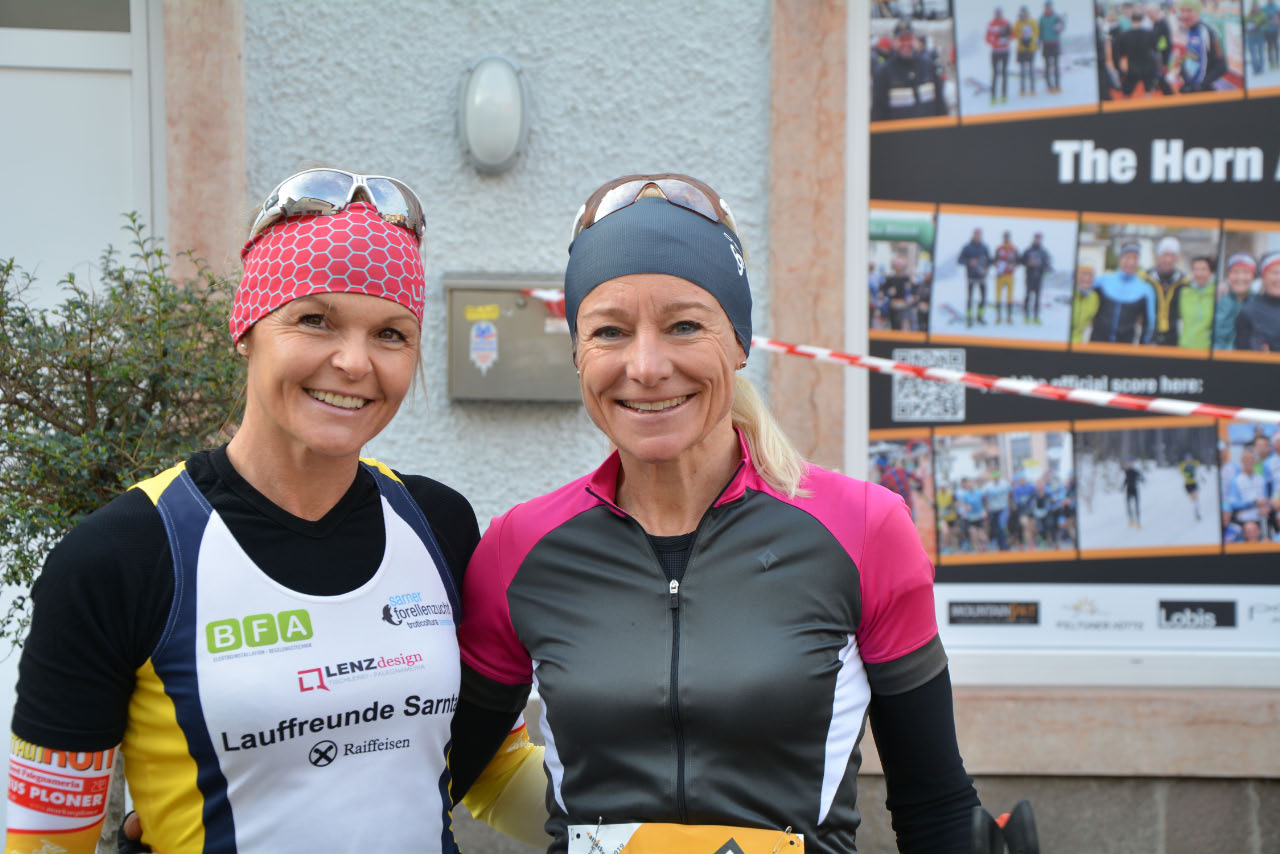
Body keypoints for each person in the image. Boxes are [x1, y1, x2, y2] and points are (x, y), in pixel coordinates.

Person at [4, 170, 542, 853]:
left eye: (391, 333)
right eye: (315, 320)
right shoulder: (120, 556)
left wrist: (648, 825)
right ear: (246, 328)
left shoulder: (439, 523)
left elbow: (493, 772)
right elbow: (48, 840)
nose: (355, 362)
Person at [457, 173, 982, 853]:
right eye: (610, 331)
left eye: (684, 326)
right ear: (579, 354)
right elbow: (432, 777)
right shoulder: (517, 548)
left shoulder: (862, 530)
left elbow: (935, 805)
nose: (647, 366)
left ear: (739, 342)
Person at [871, 19, 949, 121]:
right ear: (894, 42)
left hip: (929, 130)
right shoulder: (884, 72)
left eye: (909, 39)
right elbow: (877, 111)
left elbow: (940, 105)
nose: (906, 43)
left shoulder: (929, 66)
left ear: (914, 40)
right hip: (897, 131)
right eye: (902, 40)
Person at [1089, 242, 1156, 344]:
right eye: (1127, 257)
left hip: (1125, 347)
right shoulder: (1102, 281)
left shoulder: (1146, 290)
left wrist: (1143, 346)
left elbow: (1149, 324)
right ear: (1120, 259)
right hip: (1097, 345)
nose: (1131, 262)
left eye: (1135, 258)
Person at [1142, 235, 1189, 346]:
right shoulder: (1145, 278)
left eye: (1172, 255)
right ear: (1158, 256)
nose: (1168, 259)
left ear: (1177, 258)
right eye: (1165, 255)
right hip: (1149, 334)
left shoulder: (1184, 281)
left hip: (1174, 336)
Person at [1177, 0, 1228, 93]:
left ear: (1198, 12)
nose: (1184, 15)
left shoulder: (1207, 32)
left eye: (1189, 10)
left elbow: (1222, 66)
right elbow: (1195, 56)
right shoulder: (1190, 31)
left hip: (1205, 92)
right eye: (1182, 11)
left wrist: (1200, 86)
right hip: (1191, 89)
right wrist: (1182, 68)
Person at [1236, 250, 1280, 351]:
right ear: (1263, 278)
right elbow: (1241, 352)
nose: (1279, 278)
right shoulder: (1248, 310)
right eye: (1275, 272)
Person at [1111, 8, 1160, 96]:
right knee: (1148, 92)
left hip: (1132, 68)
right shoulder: (1150, 34)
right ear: (1142, 20)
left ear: (1131, 20)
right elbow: (1156, 49)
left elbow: (1117, 53)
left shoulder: (1123, 36)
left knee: (1126, 94)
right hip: (1148, 67)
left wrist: (1118, 68)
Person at [1214, 252, 1257, 350]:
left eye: (1246, 272)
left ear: (1253, 276)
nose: (1240, 277)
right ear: (1228, 275)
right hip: (1218, 356)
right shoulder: (1218, 298)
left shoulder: (1259, 302)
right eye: (1235, 272)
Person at [1176, 255, 1215, 348]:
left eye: (1203, 269)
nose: (1199, 273)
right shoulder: (1184, 292)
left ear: (1211, 272)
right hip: (1184, 349)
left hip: (1207, 350)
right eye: (1196, 269)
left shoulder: (1217, 293)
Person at [960, 227, 993, 326]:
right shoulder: (967, 247)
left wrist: (986, 269)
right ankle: (969, 318)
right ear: (973, 235)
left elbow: (990, 261)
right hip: (971, 277)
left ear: (981, 235)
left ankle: (980, 317)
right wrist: (969, 262)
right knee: (970, 298)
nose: (977, 236)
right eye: (976, 234)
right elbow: (960, 260)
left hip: (982, 277)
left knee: (983, 298)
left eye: (979, 234)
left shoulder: (984, 247)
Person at [1020, 231, 1052, 324]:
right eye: (1036, 238)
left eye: (1039, 238)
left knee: (1037, 298)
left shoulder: (1043, 252)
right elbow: (1021, 261)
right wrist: (1028, 263)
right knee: (1027, 296)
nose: (1037, 240)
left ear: (1041, 240)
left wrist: (1043, 266)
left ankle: (1036, 317)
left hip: (1039, 277)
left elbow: (1047, 264)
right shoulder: (1028, 250)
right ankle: (1026, 316)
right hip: (1029, 277)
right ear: (1033, 239)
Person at [880, 254, 914, 329]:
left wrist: (911, 297)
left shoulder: (906, 278)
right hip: (893, 305)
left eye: (900, 265)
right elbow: (883, 291)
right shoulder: (890, 278)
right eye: (897, 265)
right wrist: (888, 292)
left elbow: (912, 291)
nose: (899, 267)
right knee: (893, 325)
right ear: (894, 267)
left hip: (903, 306)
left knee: (902, 325)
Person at [987, 6, 1014, 102]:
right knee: (995, 73)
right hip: (995, 52)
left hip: (1005, 51)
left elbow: (1012, 35)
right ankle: (993, 96)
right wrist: (995, 42)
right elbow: (987, 38)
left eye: (999, 13)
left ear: (1002, 13)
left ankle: (1004, 95)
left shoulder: (1006, 23)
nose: (998, 14)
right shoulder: (991, 24)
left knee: (1004, 73)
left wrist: (1007, 39)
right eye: (997, 13)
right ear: (995, 14)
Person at [993, 231, 1019, 325]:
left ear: (1010, 238)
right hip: (1000, 275)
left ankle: (1009, 317)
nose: (1006, 239)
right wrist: (996, 264)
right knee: (998, 296)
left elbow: (1018, 261)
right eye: (1005, 237)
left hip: (1009, 275)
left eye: (1008, 237)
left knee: (1010, 296)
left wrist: (1014, 265)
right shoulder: (999, 248)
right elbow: (994, 260)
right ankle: (998, 316)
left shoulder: (1014, 249)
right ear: (1003, 238)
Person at [1039, 1, 1066, 92]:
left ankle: (1057, 85)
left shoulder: (1056, 17)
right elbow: (1040, 32)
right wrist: (1039, 42)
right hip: (1046, 44)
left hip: (1055, 43)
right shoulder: (1042, 18)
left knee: (1056, 66)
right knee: (1047, 66)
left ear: (1051, 7)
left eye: (1049, 7)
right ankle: (1049, 86)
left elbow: (1062, 28)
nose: (1048, 9)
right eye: (1047, 7)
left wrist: (1060, 26)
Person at [1013, 6, 1040, 95]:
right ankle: (1022, 89)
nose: (1023, 14)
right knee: (1022, 70)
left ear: (1027, 13)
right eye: (1022, 13)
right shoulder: (1017, 23)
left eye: (1025, 13)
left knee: (1031, 69)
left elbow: (1036, 33)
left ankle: (1032, 88)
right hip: (1021, 49)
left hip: (1031, 48)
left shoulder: (1032, 22)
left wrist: (1030, 39)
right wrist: (1021, 38)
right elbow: (1015, 34)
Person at [1071, 264, 1100, 342]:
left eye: (1090, 275)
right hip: (1058, 342)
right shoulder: (1067, 293)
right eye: (1083, 273)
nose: (1087, 278)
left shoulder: (1094, 297)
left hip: (1078, 343)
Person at [1122, 457, 1145, 528]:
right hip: (1128, 490)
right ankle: (1131, 521)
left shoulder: (1135, 471)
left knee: (1136, 506)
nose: (1129, 464)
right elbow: (1126, 480)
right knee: (1128, 506)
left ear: (1132, 464)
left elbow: (1142, 478)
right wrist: (1122, 487)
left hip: (1135, 490)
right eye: (1128, 463)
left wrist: (1139, 479)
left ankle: (1138, 522)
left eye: (1130, 463)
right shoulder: (1126, 471)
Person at [1180, 452, 1202, 520]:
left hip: (1194, 483)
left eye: (1190, 458)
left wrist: (1193, 463)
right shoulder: (1183, 465)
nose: (1189, 460)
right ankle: (1196, 509)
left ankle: (1197, 512)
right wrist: (1186, 467)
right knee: (1193, 499)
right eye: (1187, 459)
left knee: (1196, 498)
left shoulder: (1194, 463)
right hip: (1188, 484)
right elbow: (1180, 469)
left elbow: (1198, 464)